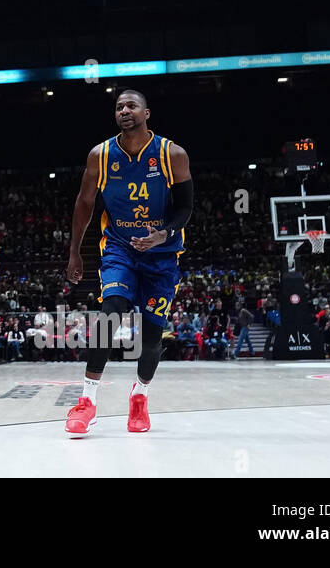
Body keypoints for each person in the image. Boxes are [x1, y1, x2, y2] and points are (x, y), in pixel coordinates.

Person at [63, 89, 193, 436]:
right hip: (120, 247)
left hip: (162, 255)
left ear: (146, 113)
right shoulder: (100, 155)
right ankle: (87, 402)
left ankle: (139, 397)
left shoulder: (172, 154)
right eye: (119, 106)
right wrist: (75, 250)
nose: (124, 110)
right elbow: (84, 203)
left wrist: (162, 234)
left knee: (151, 337)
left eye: (131, 105)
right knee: (111, 313)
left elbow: (185, 208)